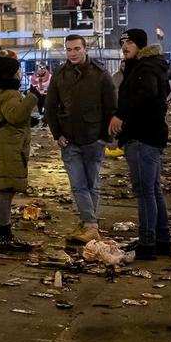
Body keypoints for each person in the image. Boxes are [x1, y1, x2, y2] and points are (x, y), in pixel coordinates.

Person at [44, 34, 117, 244]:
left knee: (91, 184)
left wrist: (104, 137)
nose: (73, 53)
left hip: (93, 139)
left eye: (76, 49)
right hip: (70, 139)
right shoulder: (60, 73)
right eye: (69, 49)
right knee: (78, 184)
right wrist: (57, 134)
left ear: (85, 49)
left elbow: (111, 108)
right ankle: (91, 224)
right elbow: (50, 107)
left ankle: (88, 224)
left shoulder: (101, 74)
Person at [108, 28, 171, 261]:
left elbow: (144, 95)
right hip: (149, 136)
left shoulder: (145, 68)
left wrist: (120, 115)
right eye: (123, 43)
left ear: (140, 46)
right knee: (153, 190)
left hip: (142, 136)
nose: (124, 47)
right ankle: (162, 240)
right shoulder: (146, 66)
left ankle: (147, 243)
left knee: (144, 192)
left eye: (130, 44)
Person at [0, 52, 38, 251]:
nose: (21, 73)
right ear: (12, 74)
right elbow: (15, 116)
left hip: (1, 144)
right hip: (8, 147)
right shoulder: (9, 93)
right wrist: (33, 97)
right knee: (6, 191)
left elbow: (5, 116)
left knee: (0, 190)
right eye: (19, 70)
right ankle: (5, 236)